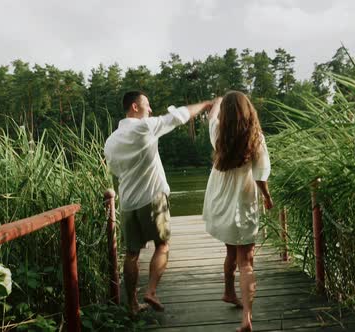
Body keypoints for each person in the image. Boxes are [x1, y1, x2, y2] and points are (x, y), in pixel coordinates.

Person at [104, 91, 213, 316]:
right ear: (135, 107)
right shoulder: (145, 127)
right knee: (162, 245)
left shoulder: (111, 141)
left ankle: (132, 305)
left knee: (132, 253)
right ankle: (151, 291)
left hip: (127, 203)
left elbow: (115, 170)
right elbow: (178, 117)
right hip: (152, 198)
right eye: (148, 105)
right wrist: (205, 104)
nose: (151, 110)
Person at [202, 91, 273, 332]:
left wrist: (218, 102)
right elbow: (261, 177)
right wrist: (267, 197)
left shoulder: (218, 133)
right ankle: (247, 319)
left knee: (231, 250)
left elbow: (212, 115)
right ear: (249, 110)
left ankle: (228, 292)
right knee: (246, 261)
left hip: (221, 201)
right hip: (243, 203)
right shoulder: (256, 139)